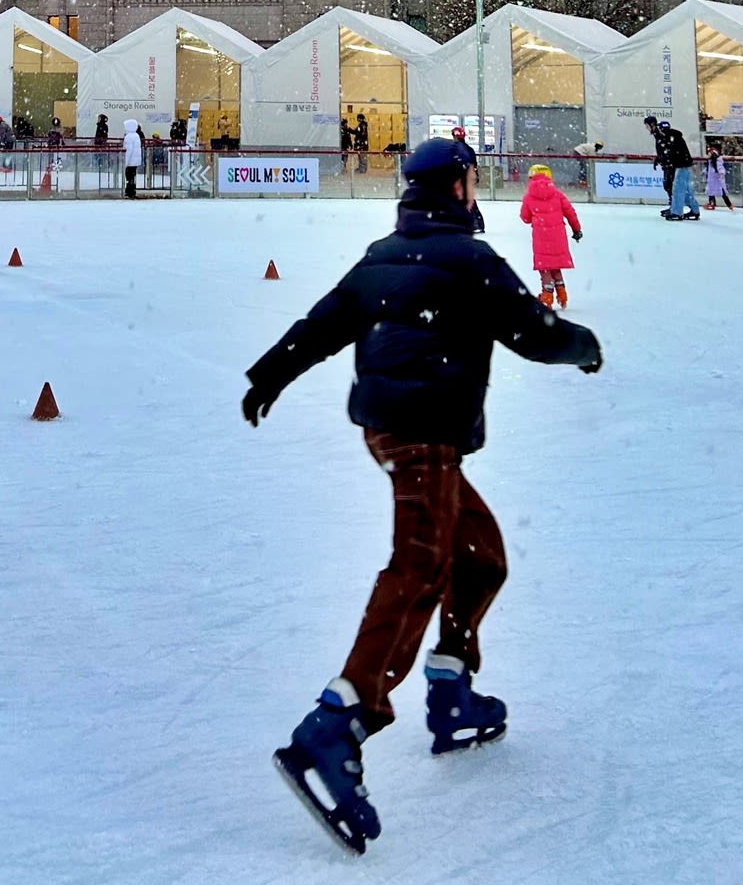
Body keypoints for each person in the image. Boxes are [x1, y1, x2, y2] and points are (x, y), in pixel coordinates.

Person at [243, 137, 602, 856]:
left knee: (479, 558)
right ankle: (338, 721)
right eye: (473, 178)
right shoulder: (470, 260)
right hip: (426, 432)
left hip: (389, 428)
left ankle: (450, 682)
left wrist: (269, 374)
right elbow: (533, 332)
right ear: (461, 188)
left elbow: (323, 323)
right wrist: (584, 345)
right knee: (420, 567)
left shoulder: (382, 255)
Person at [518, 163, 583, 308]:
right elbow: (570, 213)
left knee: (545, 268)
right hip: (558, 237)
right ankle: (562, 293)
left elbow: (525, 217)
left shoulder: (529, 197)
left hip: (541, 238)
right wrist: (576, 230)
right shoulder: (558, 194)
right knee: (556, 266)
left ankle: (547, 296)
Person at [645, 115, 699, 220]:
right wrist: (659, 159)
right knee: (684, 191)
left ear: (652, 125)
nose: (646, 128)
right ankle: (694, 210)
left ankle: (677, 212)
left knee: (677, 190)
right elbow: (666, 151)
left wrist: (672, 164)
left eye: (647, 126)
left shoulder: (667, 135)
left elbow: (674, 151)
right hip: (678, 165)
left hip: (679, 166)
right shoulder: (662, 135)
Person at [704, 144, 734, 210]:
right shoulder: (710, 161)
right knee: (711, 191)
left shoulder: (717, 161)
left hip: (717, 179)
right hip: (711, 180)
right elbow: (708, 170)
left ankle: (729, 204)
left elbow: (720, 168)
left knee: (722, 192)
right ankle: (712, 203)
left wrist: (721, 173)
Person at [123, 116, 143, 199]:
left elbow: (128, 151)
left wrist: (125, 162)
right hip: (135, 161)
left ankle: (129, 191)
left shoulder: (128, 137)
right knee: (133, 176)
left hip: (130, 161)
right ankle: (132, 190)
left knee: (128, 176)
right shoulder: (136, 135)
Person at [353, 110, 370, 175]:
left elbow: (361, 134)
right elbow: (356, 132)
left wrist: (359, 141)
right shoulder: (361, 125)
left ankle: (363, 169)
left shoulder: (363, 125)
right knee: (361, 157)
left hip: (362, 145)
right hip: (361, 145)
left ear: (360, 118)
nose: (357, 119)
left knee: (363, 157)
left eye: (358, 118)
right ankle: (361, 168)